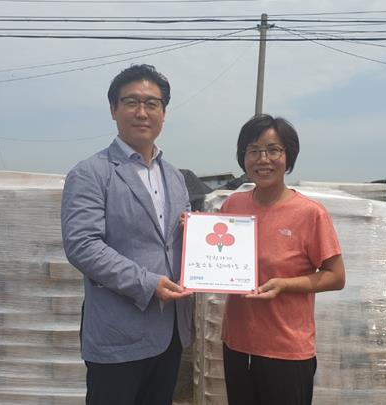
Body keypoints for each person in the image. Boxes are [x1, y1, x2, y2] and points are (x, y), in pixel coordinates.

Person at [61, 64, 192, 405]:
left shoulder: (175, 176)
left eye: (152, 103)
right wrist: (147, 283)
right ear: (113, 109)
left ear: (164, 112)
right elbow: (83, 246)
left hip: (170, 333)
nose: (142, 112)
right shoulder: (91, 173)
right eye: (131, 102)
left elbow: (178, 242)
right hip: (118, 336)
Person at [220, 114, 346, 405]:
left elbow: (336, 276)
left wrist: (285, 285)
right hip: (237, 344)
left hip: (287, 349)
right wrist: (191, 235)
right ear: (243, 157)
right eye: (253, 151)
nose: (263, 159)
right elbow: (216, 255)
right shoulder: (233, 205)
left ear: (288, 156)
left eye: (273, 150)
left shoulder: (310, 213)